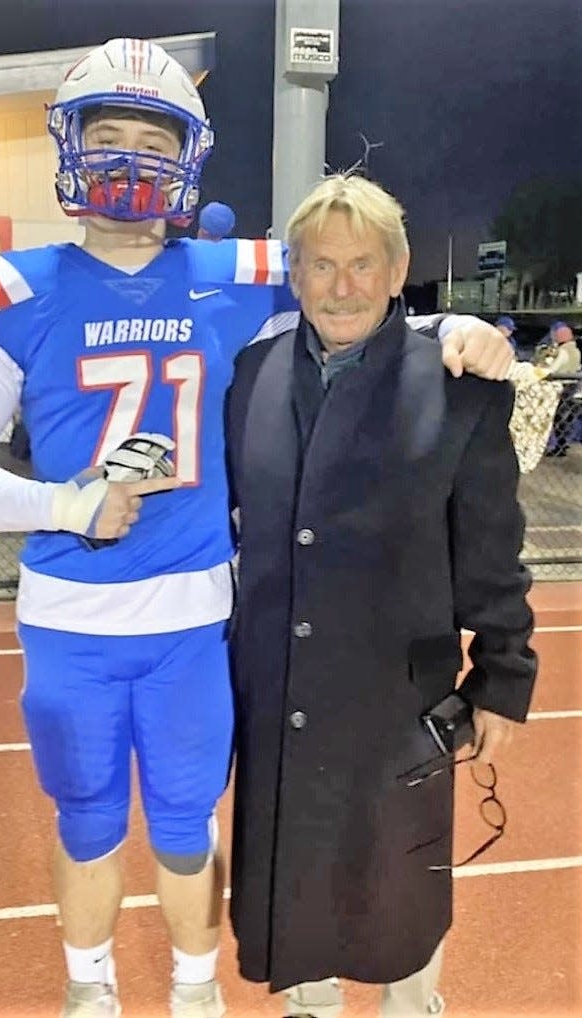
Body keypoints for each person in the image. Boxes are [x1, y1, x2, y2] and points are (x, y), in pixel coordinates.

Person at [0, 38, 514, 1018]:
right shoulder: (16, 290)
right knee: (89, 820)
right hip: (69, 608)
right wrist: (63, 505)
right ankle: (91, 986)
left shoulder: (236, 272)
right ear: (67, 146)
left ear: (190, 157)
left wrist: (441, 328)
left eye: (153, 141)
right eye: (106, 137)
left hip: (196, 612)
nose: (128, 162)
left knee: (190, 822)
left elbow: (349, 294)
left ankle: (197, 992)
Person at [225, 173, 538, 1018]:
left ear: (398, 270)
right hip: (277, 687)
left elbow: (490, 550)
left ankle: (413, 1005)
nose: (341, 286)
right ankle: (310, 1006)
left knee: (399, 883)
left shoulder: (459, 386)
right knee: (293, 880)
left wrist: (504, 677)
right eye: (320, 265)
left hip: (397, 693)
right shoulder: (251, 374)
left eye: (362, 263)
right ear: (294, 275)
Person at [541, 321, 581, 457]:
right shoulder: (575, 349)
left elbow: (553, 369)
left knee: (558, 417)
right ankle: (562, 444)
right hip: (572, 385)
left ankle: (559, 446)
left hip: (561, 386)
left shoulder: (563, 351)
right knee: (566, 417)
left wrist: (541, 371)